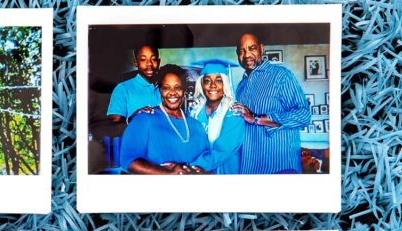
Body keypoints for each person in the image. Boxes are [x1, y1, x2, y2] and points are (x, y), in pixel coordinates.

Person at [231, 33, 311, 174]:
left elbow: (304, 115)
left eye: (252, 48)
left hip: (279, 168)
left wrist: (256, 118)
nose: (247, 54)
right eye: (242, 51)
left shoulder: (281, 75)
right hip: (248, 168)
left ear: (262, 49)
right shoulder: (241, 85)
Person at [119, 64, 212, 175]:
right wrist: (167, 173)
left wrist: (202, 172)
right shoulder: (143, 120)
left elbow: (208, 162)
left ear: (184, 91)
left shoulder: (196, 125)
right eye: (166, 88)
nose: (172, 92)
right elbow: (128, 161)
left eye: (177, 87)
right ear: (160, 91)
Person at [189, 59, 245, 174]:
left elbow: (222, 150)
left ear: (225, 84)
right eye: (207, 81)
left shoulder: (234, 112)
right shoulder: (195, 111)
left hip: (224, 171)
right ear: (202, 85)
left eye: (218, 81)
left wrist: (192, 166)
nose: (213, 86)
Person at [106, 44, 162, 124]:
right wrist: (133, 118)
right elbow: (113, 126)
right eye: (143, 59)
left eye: (153, 59)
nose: (149, 63)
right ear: (136, 62)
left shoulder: (167, 88)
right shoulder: (122, 88)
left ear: (159, 62)